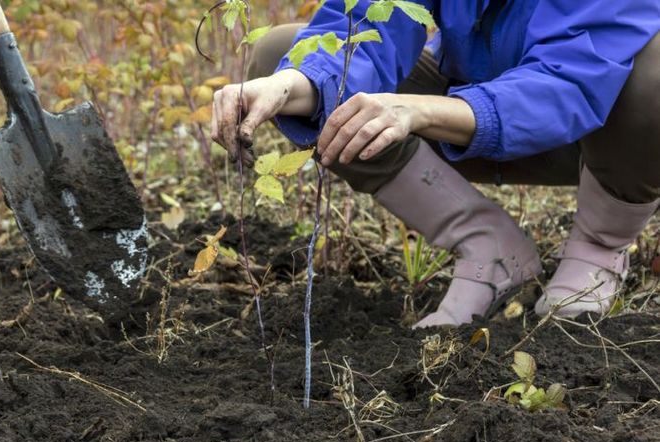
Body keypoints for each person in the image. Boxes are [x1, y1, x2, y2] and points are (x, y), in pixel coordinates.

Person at [210, 1, 660, 328]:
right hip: (466, 114)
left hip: (590, 133)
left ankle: (598, 248)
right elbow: (372, 21)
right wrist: (291, 84)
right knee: (281, 54)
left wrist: (420, 111)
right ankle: (486, 243)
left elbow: (568, 84)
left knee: (654, 71)